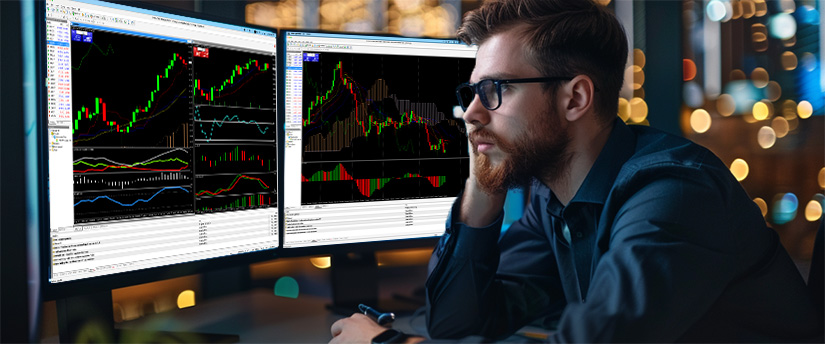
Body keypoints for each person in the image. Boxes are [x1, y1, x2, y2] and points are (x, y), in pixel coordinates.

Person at [330, 0, 824, 342]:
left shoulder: (673, 196)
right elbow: (457, 327)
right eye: (471, 93)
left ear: (575, 98)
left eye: (496, 90)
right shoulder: (557, 200)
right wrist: (480, 198)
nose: (472, 114)